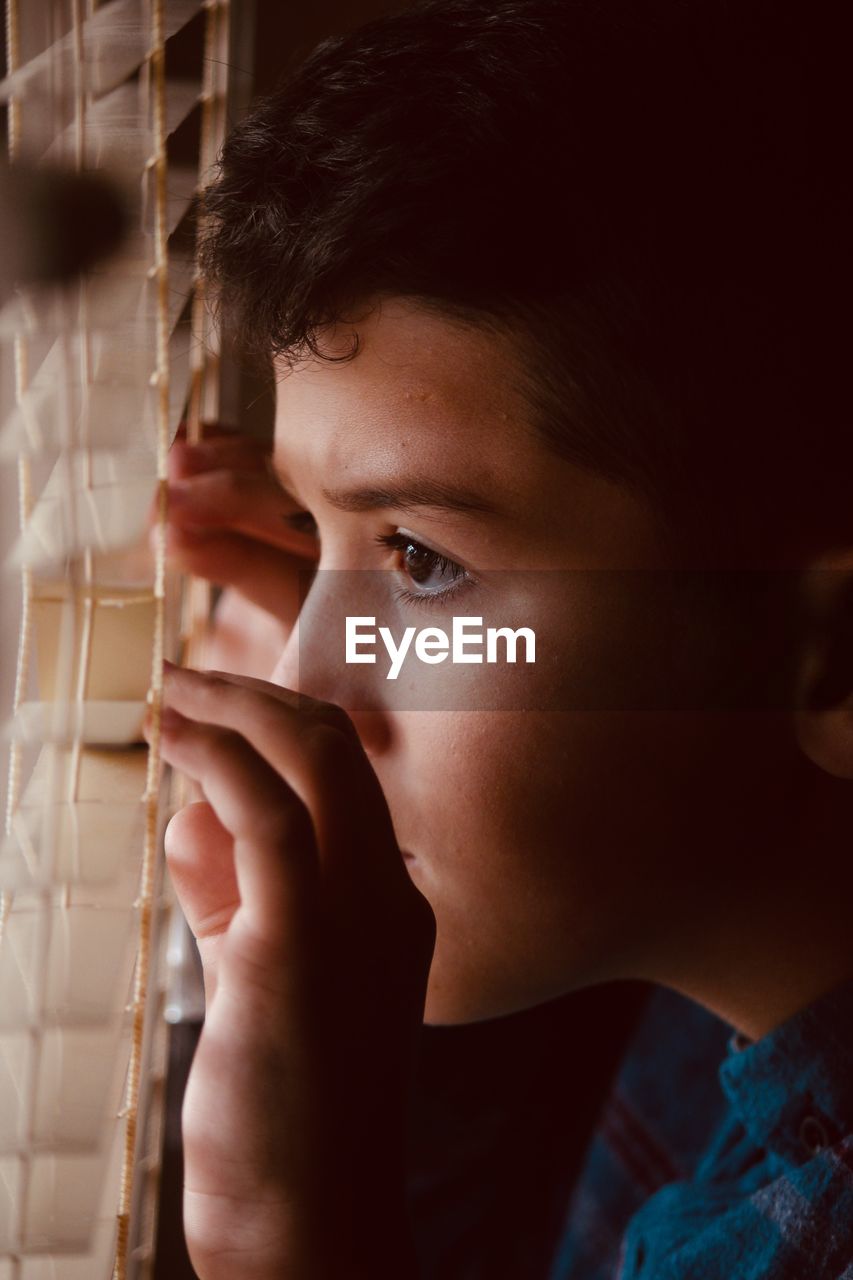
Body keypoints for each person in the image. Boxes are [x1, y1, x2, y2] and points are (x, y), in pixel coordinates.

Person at [150, 1, 853, 1276]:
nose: (306, 687)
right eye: (317, 535)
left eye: (420, 558)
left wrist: (298, 1244)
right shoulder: (699, 1003)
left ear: (830, 653)